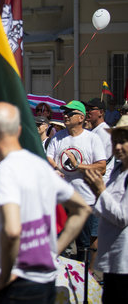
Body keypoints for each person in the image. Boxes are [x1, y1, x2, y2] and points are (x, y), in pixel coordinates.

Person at [0, 102, 91, 303]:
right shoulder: (39, 165)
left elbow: (13, 231)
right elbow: (82, 208)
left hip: (17, 282)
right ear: (19, 130)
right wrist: (53, 251)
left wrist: (5, 275)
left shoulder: (5, 169)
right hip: (45, 279)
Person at [46, 100, 106, 260]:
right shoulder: (58, 137)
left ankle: (82, 281)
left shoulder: (92, 139)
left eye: (69, 113)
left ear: (81, 118)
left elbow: (101, 167)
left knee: (84, 245)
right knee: (59, 243)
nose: (65, 115)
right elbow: (48, 158)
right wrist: (55, 168)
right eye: (65, 112)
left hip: (85, 200)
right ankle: (59, 279)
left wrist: (78, 166)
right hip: (62, 200)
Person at [84, 115, 128, 303]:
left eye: (123, 142)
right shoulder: (118, 171)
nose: (117, 147)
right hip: (114, 260)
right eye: (115, 141)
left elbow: (122, 217)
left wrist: (101, 191)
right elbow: (106, 209)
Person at [86, 98, 114, 184]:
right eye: (87, 109)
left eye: (91, 109)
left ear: (101, 112)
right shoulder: (93, 131)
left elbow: (99, 161)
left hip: (102, 181)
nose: (87, 112)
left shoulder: (104, 131)